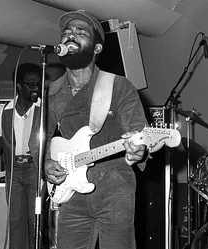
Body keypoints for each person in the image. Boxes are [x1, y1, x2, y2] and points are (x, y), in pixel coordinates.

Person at [44, 10, 149, 249]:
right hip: (71, 187)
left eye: (81, 32)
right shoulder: (51, 91)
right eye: (67, 33)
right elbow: (37, 139)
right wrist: (44, 164)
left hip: (114, 182)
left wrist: (137, 150)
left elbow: (138, 131)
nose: (71, 35)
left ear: (97, 48)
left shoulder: (119, 85)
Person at [0, 63, 44, 249]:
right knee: (15, 220)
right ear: (19, 86)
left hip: (36, 170)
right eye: (31, 84)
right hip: (14, 172)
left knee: (36, 219)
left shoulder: (44, 109)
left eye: (38, 83)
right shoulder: (5, 111)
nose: (36, 88)